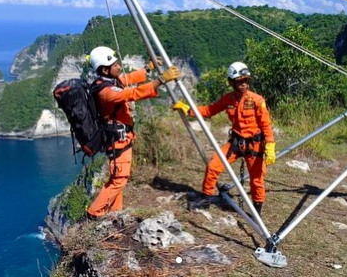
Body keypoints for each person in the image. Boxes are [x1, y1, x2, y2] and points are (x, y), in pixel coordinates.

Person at [86, 46, 182, 219]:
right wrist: (160, 80)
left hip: (122, 137)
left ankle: (115, 211)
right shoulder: (106, 92)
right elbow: (133, 93)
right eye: (115, 65)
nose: (119, 66)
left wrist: (147, 69)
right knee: (119, 178)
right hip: (117, 141)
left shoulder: (109, 81)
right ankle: (95, 213)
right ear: (105, 69)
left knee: (118, 178)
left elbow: (128, 79)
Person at [173, 62, 275, 215]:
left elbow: (266, 125)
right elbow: (208, 111)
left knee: (257, 179)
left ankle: (256, 211)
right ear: (232, 82)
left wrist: (270, 145)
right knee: (213, 166)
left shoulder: (257, 100)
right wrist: (188, 109)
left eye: (245, 81)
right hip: (235, 142)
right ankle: (206, 198)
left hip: (254, 145)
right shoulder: (228, 99)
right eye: (239, 81)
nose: (243, 84)